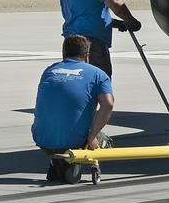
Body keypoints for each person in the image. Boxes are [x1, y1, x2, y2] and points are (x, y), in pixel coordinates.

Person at [31, 35, 114, 181]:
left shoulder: (49, 70)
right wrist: (93, 135)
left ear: (64, 54)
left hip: (41, 138)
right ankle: (74, 161)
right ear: (87, 55)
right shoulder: (98, 74)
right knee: (104, 139)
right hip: (73, 140)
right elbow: (108, 104)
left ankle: (56, 160)